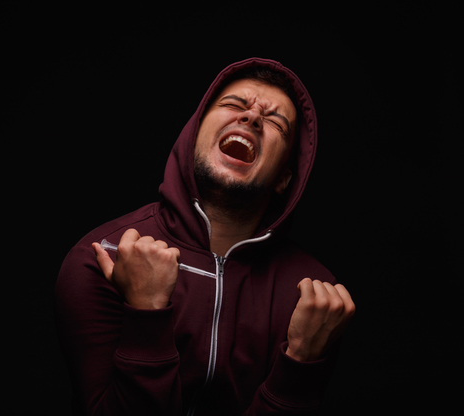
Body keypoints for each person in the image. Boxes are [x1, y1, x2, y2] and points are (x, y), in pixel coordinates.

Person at [55, 57, 355, 415]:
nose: (252, 117)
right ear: (192, 136)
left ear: (284, 179)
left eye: (275, 120)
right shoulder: (103, 255)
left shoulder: (315, 301)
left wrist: (300, 363)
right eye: (234, 104)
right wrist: (146, 312)